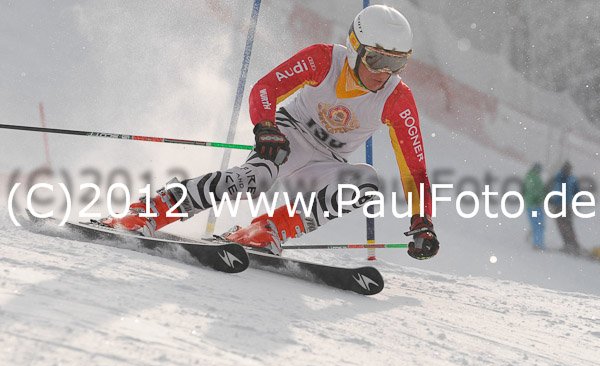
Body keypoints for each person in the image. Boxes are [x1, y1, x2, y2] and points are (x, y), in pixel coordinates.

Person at [98, 5, 439, 260]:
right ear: (355, 47)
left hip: (325, 164)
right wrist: (265, 127)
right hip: (286, 138)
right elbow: (266, 88)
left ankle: (267, 229)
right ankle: (149, 210)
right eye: (377, 59)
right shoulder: (324, 60)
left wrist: (422, 219)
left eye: (396, 63)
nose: (384, 73)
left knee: (367, 182)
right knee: (255, 179)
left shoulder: (398, 98)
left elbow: (416, 170)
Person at [548, 161, 580, 254]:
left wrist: (576, 203)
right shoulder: (558, 178)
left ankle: (573, 244)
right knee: (563, 226)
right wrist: (551, 200)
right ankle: (568, 244)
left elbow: (576, 192)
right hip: (559, 206)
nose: (568, 171)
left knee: (568, 226)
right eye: (567, 170)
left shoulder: (570, 179)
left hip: (566, 206)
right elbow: (551, 189)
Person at [522, 163, 545, 250]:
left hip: (529, 205)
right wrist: (542, 199)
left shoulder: (528, 177)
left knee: (535, 224)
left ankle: (536, 242)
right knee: (539, 225)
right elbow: (538, 192)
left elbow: (524, 190)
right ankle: (538, 244)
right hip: (536, 206)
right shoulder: (536, 178)